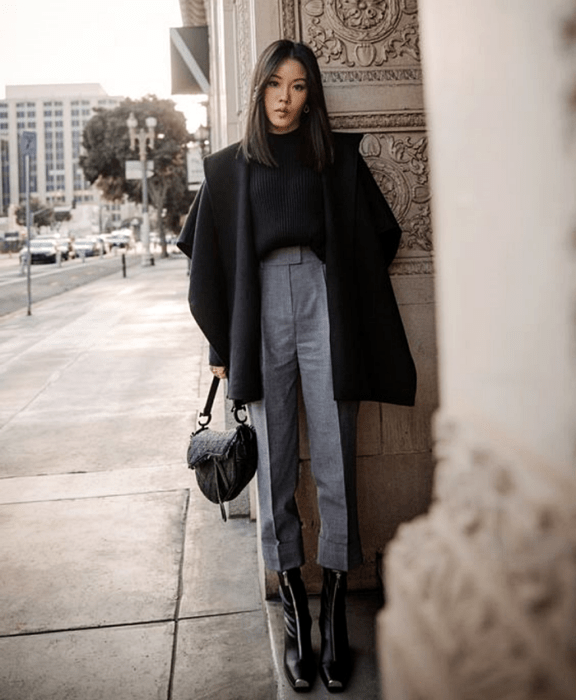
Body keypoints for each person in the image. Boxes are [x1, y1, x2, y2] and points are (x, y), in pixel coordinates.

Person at [177, 39, 416, 693]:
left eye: (299, 86)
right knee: (276, 465)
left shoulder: (333, 160)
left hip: (323, 303)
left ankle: (336, 606)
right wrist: (221, 350)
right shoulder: (229, 169)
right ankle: (293, 611)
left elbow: (381, 235)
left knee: (336, 458)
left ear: (312, 95)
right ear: (258, 90)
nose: (286, 98)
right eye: (275, 85)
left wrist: (350, 292)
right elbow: (209, 263)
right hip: (258, 314)